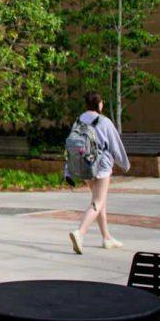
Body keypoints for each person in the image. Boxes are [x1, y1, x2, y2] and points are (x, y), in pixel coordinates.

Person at [65, 91, 130, 254]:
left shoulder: (78, 121)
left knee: (99, 201)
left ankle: (107, 238)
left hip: (84, 165)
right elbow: (115, 146)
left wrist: (68, 169)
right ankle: (80, 232)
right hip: (101, 166)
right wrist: (125, 164)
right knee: (98, 202)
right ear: (98, 104)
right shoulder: (104, 121)